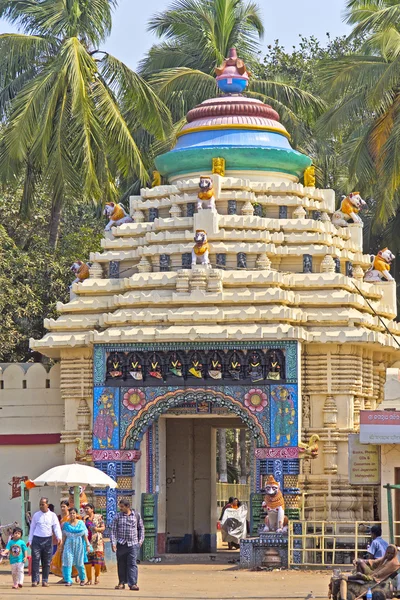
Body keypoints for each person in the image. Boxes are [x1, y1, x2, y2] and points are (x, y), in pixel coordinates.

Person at [110, 500, 144, 591]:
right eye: (120, 507)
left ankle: (133, 584)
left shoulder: (136, 515)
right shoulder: (117, 516)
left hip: (133, 544)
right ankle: (121, 582)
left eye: (122, 507)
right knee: (121, 563)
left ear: (127, 506)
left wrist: (140, 541)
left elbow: (141, 529)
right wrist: (113, 543)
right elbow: (113, 531)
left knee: (132, 564)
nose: (120, 508)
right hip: (121, 544)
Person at [28, 496, 62, 587]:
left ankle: (45, 580)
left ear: (47, 505)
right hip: (37, 539)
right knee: (35, 560)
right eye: (40, 504)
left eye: (43, 504)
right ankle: (35, 580)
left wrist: (59, 537)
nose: (41, 506)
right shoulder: (36, 515)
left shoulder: (52, 515)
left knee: (46, 561)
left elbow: (56, 527)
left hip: (47, 539)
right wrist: (30, 540)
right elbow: (32, 528)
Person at [60, 507, 90, 586]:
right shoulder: (66, 525)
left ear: (76, 514)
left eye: (74, 513)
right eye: (71, 513)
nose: (72, 515)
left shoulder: (81, 523)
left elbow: (85, 535)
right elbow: (64, 536)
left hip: (79, 545)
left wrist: (87, 545)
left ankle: (82, 579)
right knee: (67, 561)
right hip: (68, 545)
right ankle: (68, 580)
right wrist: (62, 546)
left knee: (79, 562)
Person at [50, 500, 78, 581]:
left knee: (72, 558)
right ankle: (65, 577)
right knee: (62, 559)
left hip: (71, 540)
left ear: (68, 507)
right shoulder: (61, 519)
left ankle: (75, 575)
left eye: (64, 507)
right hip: (62, 541)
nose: (62, 508)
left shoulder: (71, 517)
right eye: (61, 507)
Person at [84, 503, 106, 585]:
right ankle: (89, 579)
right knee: (87, 561)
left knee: (97, 560)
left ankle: (97, 576)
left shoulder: (99, 517)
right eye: (85, 509)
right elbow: (81, 528)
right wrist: (84, 520)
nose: (86, 510)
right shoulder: (84, 519)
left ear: (92, 509)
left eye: (88, 508)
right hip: (87, 541)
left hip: (97, 541)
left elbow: (103, 527)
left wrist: (97, 529)